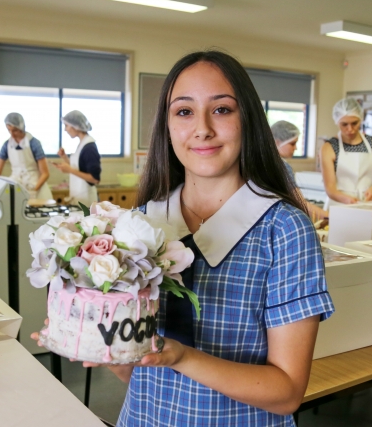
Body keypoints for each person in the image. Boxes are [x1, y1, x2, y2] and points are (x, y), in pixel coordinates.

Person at [36, 51, 334, 426]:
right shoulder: (141, 224)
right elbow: (140, 374)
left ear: (249, 121)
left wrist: (181, 356)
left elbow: (287, 392)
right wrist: (105, 345)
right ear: (167, 125)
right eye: (184, 111)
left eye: (222, 109)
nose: (203, 128)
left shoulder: (284, 231)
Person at [320, 97, 372, 207]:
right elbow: (330, 188)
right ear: (337, 122)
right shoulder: (329, 147)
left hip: (367, 203)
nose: (350, 129)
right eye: (344, 124)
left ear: (361, 119)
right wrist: (347, 200)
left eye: (354, 123)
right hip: (338, 205)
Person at [270, 120, 327, 221]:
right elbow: (300, 204)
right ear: (277, 141)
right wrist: (329, 216)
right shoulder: (282, 166)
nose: (295, 148)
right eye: (292, 143)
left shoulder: (260, 161)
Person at [0, 112, 52, 200]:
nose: (11, 134)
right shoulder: (7, 145)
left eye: (14, 130)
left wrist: (33, 191)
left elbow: (45, 173)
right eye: (9, 130)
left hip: (36, 186)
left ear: (21, 127)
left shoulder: (34, 143)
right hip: (16, 184)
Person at [53, 110, 100, 206]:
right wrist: (64, 157)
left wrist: (70, 170)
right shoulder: (82, 144)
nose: (65, 129)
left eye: (66, 125)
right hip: (79, 198)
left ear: (76, 126)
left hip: (87, 200)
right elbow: (80, 168)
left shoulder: (89, 147)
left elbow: (95, 179)